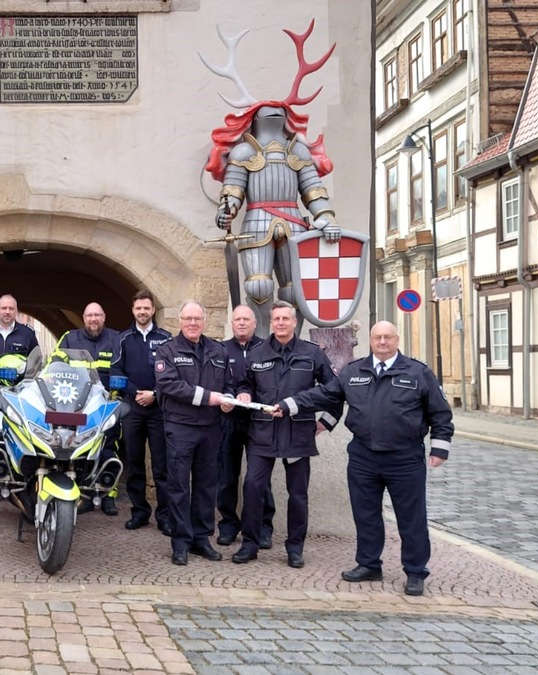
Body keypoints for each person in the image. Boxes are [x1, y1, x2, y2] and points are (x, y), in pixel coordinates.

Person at [272, 320, 453, 596]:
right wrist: (289, 405)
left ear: (396, 340)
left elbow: (440, 413)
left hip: (404, 457)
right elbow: (325, 394)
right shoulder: (354, 372)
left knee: (411, 518)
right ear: (370, 340)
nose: (382, 342)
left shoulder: (418, 372)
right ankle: (369, 564)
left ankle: (415, 572)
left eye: (388, 337)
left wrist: (439, 449)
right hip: (363, 456)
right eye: (377, 337)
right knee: (365, 514)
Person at [204, 23, 343, 336]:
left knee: (295, 291)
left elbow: (312, 188)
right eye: (267, 115)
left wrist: (325, 216)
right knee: (258, 285)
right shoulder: (243, 151)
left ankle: (292, 341)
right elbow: (234, 190)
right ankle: (262, 341)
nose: (274, 119)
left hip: (294, 221)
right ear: (254, 119)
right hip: (256, 220)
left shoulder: (299, 151)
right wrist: (227, 209)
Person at [232, 301, 341, 569]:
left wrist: (324, 422)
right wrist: (243, 393)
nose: (280, 323)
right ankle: (250, 544)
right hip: (263, 432)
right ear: (271, 323)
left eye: (285, 318)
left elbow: (334, 391)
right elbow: (245, 383)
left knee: (298, 494)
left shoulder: (312, 354)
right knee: (253, 487)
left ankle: (295, 548)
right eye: (276, 319)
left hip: (297, 434)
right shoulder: (257, 353)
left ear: (294, 322)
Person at [154, 300, 236, 566]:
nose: (192, 323)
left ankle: (201, 538)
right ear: (180, 321)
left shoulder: (218, 350)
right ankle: (180, 542)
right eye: (188, 319)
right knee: (178, 486)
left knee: (206, 486)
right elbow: (169, 385)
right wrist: (209, 397)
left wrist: (231, 397)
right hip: (180, 427)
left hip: (211, 428)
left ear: (204, 321)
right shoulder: (167, 351)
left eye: (197, 319)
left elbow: (231, 383)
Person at [110, 290, 173, 535]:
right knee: (135, 463)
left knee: (161, 466)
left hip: (159, 409)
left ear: (153, 310)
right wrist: (138, 393)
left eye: (146, 308)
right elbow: (116, 372)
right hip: (133, 409)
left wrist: (155, 394)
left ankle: (164, 516)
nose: (142, 312)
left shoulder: (167, 338)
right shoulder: (123, 338)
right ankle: (139, 512)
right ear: (133, 311)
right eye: (138, 309)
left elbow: (171, 372)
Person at [216, 304, 276, 548]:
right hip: (228, 421)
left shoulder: (267, 349)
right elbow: (217, 380)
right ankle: (228, 525)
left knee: (260, 478)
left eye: (246, 319)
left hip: (259, 422)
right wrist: (224, 399)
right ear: (232, 324)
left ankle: (262, 527)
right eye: (237, 319)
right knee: (227, 477)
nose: (241, 323)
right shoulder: (220, 349)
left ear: (254, 323)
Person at [57, 302, 122, 515]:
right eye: (89, 315)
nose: (93, 319)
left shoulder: (117, 339)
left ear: (104, 317)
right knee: (75, 450)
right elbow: (54, 367)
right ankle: (82, 494)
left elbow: (124, 369)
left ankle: (108, 495)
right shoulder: (69, 338)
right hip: (75, 407)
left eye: (97, 315)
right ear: (83, 318)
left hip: (106, 406)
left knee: (109, 447)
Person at [0, 294, 39, 500]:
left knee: (21, 440)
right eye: (3, 308)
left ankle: (19, 489)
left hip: (18, 397)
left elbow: (35, 365)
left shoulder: (27, 334)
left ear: (16, 310)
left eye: (11, 308)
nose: (7, 312)